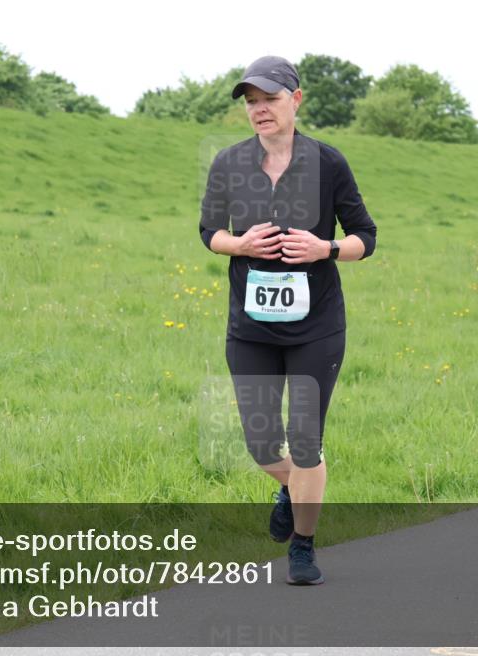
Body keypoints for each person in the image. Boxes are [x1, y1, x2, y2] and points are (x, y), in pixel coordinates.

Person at [198, 55, 377, 585]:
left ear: (295, 100)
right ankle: (288, 487)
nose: (259, 110)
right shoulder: (229, 163)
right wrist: (241, 242)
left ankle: (302, 545)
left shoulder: (329, 163)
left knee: (304, 441)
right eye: (251, 102)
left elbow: (365, 237)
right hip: (251, 325)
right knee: (260, 444)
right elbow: (209, 233)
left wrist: (325, 248)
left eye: (269, 99)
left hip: (316, 326)